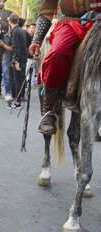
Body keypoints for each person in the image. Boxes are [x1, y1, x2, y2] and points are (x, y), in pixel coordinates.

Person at [29, 0, 99, 134]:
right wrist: (37, 40)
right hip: (73, 23)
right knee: (59, 53)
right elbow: (47, 10)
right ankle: (49, 110)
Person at [8, 13, 27, 107]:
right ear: (18, 21)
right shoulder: (21, 31)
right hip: (23, 58)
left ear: (9, 21)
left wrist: (16, 61)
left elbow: (17, 48)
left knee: (17, 80)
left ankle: (17, 102)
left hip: (19, 59)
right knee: (19, 79)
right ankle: (17, 98)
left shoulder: (15, 32)